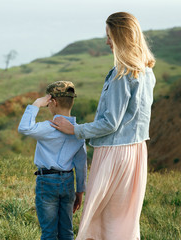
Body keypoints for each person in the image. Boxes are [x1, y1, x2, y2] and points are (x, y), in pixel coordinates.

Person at [51, 12, 156, 240]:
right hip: (137, 151)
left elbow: (110, 123)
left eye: (109, 36)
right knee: (125, 216)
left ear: (121, 38)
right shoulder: (146, 72)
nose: (107, 41)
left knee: (100, 215)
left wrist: (75, 130)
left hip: (114, 152)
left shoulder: (122, 74)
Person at [18, 81, 87, 240]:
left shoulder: (49, 127)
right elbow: (81, 165)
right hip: (68, 182)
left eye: (48, 104)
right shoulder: (77, 130)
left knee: (49, 232)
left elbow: (24, 128)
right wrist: (80, 192)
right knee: (66, 232)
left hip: (47, 181)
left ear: (53, 102)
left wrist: (36, 104)